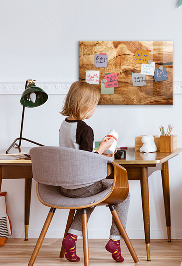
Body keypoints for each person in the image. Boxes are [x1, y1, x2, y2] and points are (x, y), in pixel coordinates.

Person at [59, 81, 129, 263]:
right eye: (95, 105)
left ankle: (71, 238)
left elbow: (76, 154)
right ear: (86, 105)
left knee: (89, 198)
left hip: (65, 186)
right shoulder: (85, 129)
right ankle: (115, 240)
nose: (95, 109)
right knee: (124, 194)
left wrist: (98, 149)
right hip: (82, 186)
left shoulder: (64, 125)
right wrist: (103, 149)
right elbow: (86, 161)